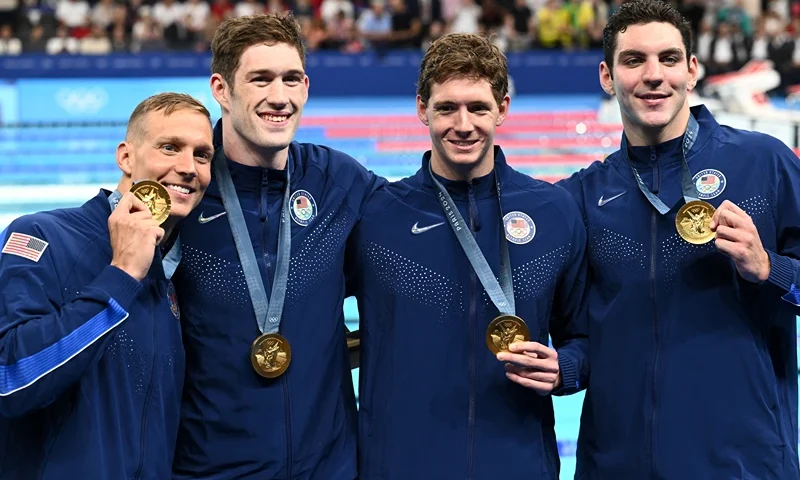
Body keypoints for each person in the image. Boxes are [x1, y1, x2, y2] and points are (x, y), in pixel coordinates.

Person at [557, 1, 800, 478]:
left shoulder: (764, 163)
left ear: (691, 70)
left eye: (669, 59)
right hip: (618, 462)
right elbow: (582, 336)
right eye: (634, 61)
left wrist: (772, 269)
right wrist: (565, 368)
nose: (654, 75)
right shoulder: (582, 197)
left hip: (743, 461)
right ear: (607, 76)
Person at [346, 32, 589, 479]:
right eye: (446, 108)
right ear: (422, 108)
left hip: (518, 464)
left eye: (478, 107)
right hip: (400, 466)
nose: (463, 124)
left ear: (503, 108)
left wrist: (567, 368)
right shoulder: (377, 214)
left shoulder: (553, 213)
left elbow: (587, 335)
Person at [171, 13, 384, 479]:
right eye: (260, 79)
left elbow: (425, 239)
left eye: (291, 79)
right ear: (221, 90)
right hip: (211, 468)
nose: (279, 97)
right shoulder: (182, 190)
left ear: (306, 87)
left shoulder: (337, 181)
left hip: (328, 468)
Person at [0, 92, 214, 478]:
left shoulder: (172, 276)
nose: (188, 167)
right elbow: (9, 377)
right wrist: (121, 276)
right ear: (126, 157)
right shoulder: (42, 235)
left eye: (202, 155)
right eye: (170, 147)